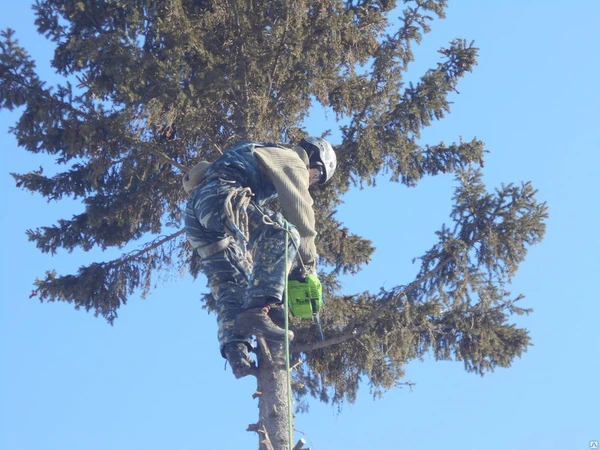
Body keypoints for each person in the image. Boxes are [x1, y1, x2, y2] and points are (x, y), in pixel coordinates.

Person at [183, 137, 336, 378]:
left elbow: (199, 174)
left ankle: (236, 350)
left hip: (196, 211)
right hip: (219, 195)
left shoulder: (263, 151)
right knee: (283, 234)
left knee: (230, 282)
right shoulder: (293, 160)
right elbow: (299, 212)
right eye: (317, 176)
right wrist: (307, 267)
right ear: (313, 160)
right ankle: (258, 309)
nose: (312, 182)